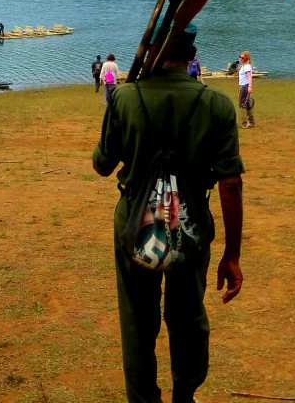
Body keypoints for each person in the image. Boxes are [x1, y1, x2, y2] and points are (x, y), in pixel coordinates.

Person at [92, 22, 244, 403]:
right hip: (191, 224)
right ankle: (184, 395)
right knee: (188, 314)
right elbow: (230, 183)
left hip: (134, 222)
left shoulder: (126, 98)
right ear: (192, 56)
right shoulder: (217, 105)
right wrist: (232, 254)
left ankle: (143, 398)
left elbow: (102, 164)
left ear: (152, 53)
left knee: (137, 320)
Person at [237, 51, 254, 128]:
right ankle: (251, 122)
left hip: (245, 86)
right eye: (240, 57)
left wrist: (250, 86)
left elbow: (249, 76)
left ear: (246, 58)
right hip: (243, 86)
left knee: (242, 104)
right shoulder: (244, 66)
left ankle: (244, 123)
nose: (241, 59)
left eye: (243, 57)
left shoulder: (247, 66)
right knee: (247, 104)